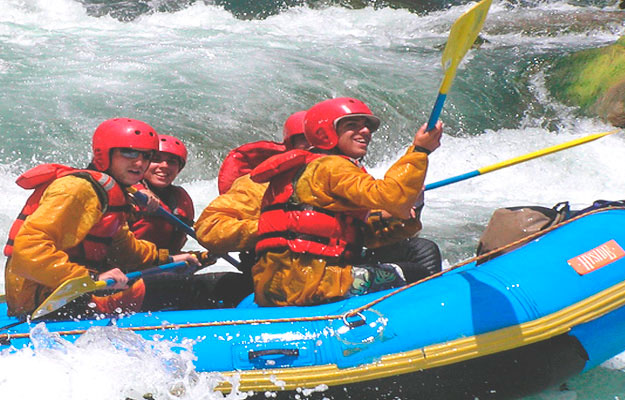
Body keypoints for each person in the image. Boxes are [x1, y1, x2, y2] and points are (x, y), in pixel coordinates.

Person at [249, 97, 443, 307]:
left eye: (367, 126)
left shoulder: (310, 168)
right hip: (314, 284)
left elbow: (353, 233)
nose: (366, 131)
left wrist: (403, 217)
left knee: (417, 251)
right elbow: (391, 197)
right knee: (418, 273)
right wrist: (419, 151)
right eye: (352, 125)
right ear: (326, 133)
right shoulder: (332, 166)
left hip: (282, 284)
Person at [3, 118, 200, 319]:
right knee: (180, 288)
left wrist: (168, 259)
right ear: (104, 154)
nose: (139, 163)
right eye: (129, 152)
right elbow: (27, 251)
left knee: (213, 283)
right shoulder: (76, 190)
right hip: (46, 301)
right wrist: (91, 278)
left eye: (147, 156)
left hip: (78, 290)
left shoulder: (113, 193)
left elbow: (125, 250)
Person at [192, 110, 308, 307]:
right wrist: (276, 227)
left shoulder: (350, 181)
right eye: (308, 140)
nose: (321, 149)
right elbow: (210, 228)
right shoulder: (260, 185)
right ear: (292, 146)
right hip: (277, 282)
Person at [128, 134, 194, 253]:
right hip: (124, 267)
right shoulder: (127, 192)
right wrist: (135, 195)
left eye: (171, 162)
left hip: (164, 265)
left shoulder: (181, 198)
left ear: (178, 169)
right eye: (156, 160)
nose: (164, 166)